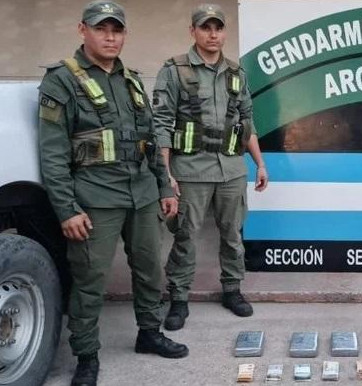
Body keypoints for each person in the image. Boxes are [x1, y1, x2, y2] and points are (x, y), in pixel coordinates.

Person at [38, 1, 190, 385]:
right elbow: (53, 154)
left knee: (149, 270)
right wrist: (66, 210)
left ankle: (149, 333)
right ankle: (86, 355)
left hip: (141, 194)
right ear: (82, 30)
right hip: (95, 197)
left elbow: (150, 142)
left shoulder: (132, 79)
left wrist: (163, 186)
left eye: (117, 30)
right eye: (101, 28)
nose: (110, 36)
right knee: (90, 279)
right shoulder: (61, 80)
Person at [152, 3, 268, 331]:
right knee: (185, 235)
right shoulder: (174, 71)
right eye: (206, 27)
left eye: (218, 27)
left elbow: (247, 122)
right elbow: (160, 125)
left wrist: (260, 164)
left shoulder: (236, 73)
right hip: (190, 170)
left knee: (232, 235)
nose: (213, 34)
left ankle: (232, 289)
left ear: (225, 32)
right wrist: (166, 174)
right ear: (193, 31)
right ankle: (178, 298)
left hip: (231, 169)